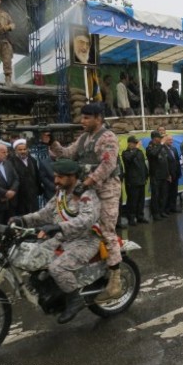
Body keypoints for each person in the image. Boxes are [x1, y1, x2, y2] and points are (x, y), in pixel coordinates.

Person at [9, 159, 102, 324]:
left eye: (60, 177)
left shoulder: (86, 194)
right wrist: (22, 220)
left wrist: (58, 227)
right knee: (34, 256)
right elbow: (45, 213)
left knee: (57, 268)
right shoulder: (61, 193)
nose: (56, 180)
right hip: (62, 238)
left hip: (85, 241)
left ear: (72, 176)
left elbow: (86, 220)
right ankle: (50, 291)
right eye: (55, 176)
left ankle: (75, 299)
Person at [49, 102, 122, 303]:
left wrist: (86, 183)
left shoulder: (107, 137)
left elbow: (108, 165)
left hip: (106, 191)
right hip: (88, 192)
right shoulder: (83, 138)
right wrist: (51, 142)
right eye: (82, 117)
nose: (82, 121)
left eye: (87, 118)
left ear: (98, 118)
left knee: (106, 231)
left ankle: (115, 281)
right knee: (80, 228)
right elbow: (66, 154)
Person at [122, 136, 149, 225]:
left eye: (136, 143)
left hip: (141, 180)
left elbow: (143, 164)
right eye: (134, 143)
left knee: (141, 200)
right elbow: (129, 159)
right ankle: (131, 218)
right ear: (130, 143)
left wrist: (146, 174)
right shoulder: (125, 153)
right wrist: (136, 149)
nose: (136, 145)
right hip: (132, 181)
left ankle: (140, 216)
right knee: (132, 200)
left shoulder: (139, 152)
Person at [9, 138, 41, 215]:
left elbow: (37, 177)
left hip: (33, 196)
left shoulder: (33, 160)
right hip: (19, 198)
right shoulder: (10, 162)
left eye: (24, 149)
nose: (23, 151)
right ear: (15, 150)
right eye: (20, 150)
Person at [164, 134, 182, 213]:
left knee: (174, 192)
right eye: (169, 140)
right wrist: (168, 174)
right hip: (168, 174)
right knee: (168, 192)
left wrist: (179, 172)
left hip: (175, 174)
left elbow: (177, 161)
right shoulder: (163, 149)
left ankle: (173, 207)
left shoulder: (174, 148)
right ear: (165, 140)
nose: (171, 141)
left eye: (172, 140)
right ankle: (167, 209)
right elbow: (164, 164)